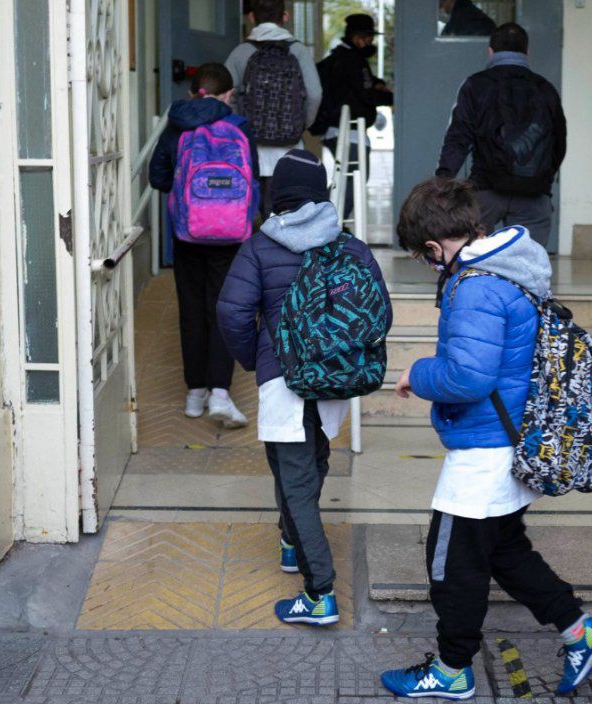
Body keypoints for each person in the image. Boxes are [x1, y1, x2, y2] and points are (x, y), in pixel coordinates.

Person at [378, 179, 592, 699]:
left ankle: (451, 670)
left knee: (450, 563)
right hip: (507, 434)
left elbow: (468, 376)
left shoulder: (476, 287)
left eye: (424, 257)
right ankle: (580, 631)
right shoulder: (509, 270)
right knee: (505, 550)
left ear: (434, 246)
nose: (429, 266)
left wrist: (417, 373)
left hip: (485, 446)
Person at [216, 150, 391, 624]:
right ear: (321, 193)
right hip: (335, 377)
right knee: (313, 460)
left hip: (284, 378)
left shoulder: (259, 247)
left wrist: (255, 358)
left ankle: (320, 594)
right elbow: (380, 313)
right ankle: (292, 540)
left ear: (277, 194)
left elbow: (232, 312)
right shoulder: (351, 246)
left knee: (293, 476)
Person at [149, 63, 257, 429]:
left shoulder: (176, 126)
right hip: (231, 235)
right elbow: (252, 180)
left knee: (191, 310)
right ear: (229, 94)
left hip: (187, 234)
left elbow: (157, 177)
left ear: (192, 92)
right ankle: (220, 392)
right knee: (222, 309)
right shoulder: (239, 127)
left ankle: (194, 394)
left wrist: (190, 195)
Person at [435, 23, 566, 248]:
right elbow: (559, 143)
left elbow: (458, 137)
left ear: (490, 51)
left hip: (485, 192)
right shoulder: (546, 88)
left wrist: (443, 181)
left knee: (471, 258)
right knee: (528, 263)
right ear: (527, 52)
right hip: (534, 195)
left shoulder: (476, 84)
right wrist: (542, 179)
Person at [225, 0, 323, 217]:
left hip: (251, 149)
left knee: (253, 212)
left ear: (252, 17)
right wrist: (300, 124)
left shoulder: (241, 52)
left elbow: (227, 96)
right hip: (289, 148)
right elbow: (315, 94)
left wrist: (240, 127)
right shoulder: (298, 50)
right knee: (286, 213)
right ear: (285, 16)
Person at [312, 13, 394, 220]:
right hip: (347, 131)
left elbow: (360, 87)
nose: (371, 43)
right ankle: (326, 222)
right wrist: (392, 97)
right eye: (369, 38)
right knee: (353, 181)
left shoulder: (340, 58)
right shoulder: (353, 61)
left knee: (344, 180)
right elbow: (365, 94)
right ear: (358, 38)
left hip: (337, 129)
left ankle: (325, 220)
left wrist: (376, 84)